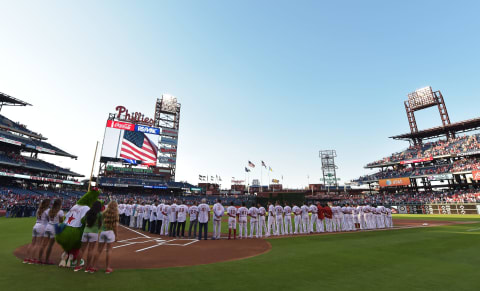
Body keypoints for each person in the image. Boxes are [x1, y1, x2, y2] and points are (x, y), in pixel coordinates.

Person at [75, 201, 102, 272]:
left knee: (81, 249)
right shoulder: (99, 214)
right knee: (90, 250)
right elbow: (100, 224)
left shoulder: (88, 213)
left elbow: (82, 221)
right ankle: (87, 267)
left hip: (86, 231)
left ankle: (77, 266)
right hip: (94, 232)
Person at [92, 200, 118, 274]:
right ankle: (107, 268)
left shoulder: (103, 213)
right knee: (109, 250)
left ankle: (93, 266)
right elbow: (115, 226)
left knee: (98, 250)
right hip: (110, 233)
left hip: (103, 232)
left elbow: (99, 222)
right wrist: (116, 236)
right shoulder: (115, 214)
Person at [23, 199, 50, 264]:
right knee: (38, 244)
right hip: (42, 226)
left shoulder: (39, 209)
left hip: (36, 225)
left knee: (32, 243)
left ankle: (27, 258)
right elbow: (49, 219)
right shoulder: (47, 210)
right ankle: (32, 259)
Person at [41, 198, 64, 264]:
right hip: (54, 228)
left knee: (44, 244)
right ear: (59, 204)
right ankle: (46, 260)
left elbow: (48, 218)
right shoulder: (60, 211)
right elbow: (61, 221)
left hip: (48, 226)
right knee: (50, 245)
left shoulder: (50, 210)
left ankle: (40, 258)